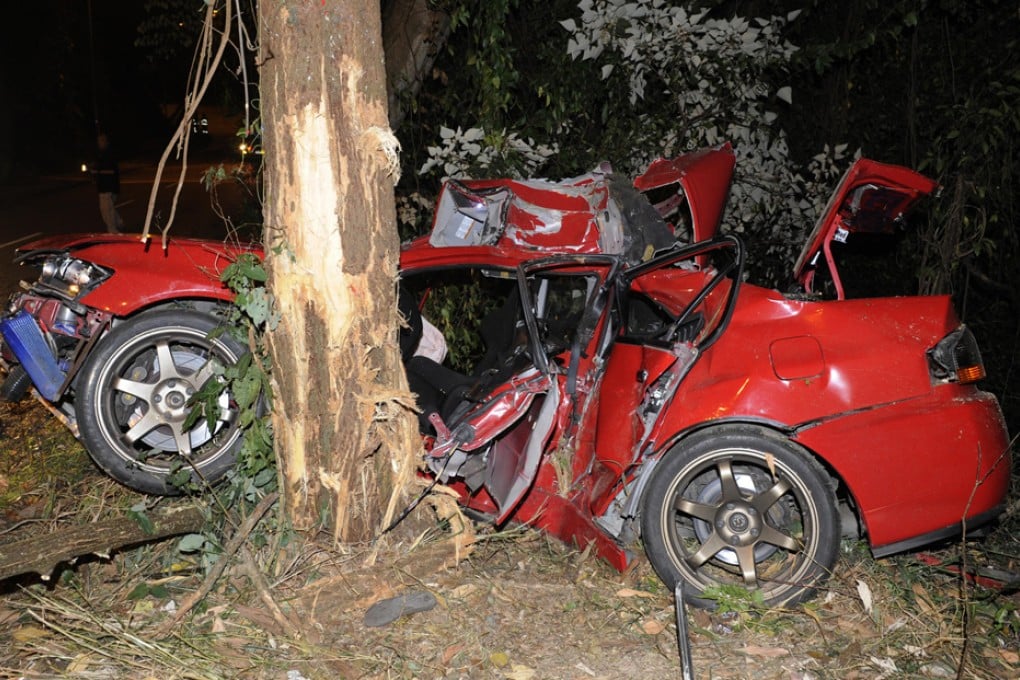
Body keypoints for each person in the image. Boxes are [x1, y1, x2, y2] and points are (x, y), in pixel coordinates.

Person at [90, 133, 125, 233]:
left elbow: (110, 170)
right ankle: (118, 222)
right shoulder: (99, 154)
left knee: (106, 209)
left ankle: (112, 229)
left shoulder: (109, 154)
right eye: (99, 141)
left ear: (106, 142)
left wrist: (97, 170)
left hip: (109, 186)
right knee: (108, 207)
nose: (99, 143)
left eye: (102, 140)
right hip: (104, 186)